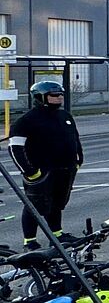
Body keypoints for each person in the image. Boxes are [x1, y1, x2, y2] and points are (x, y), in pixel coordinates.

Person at [9, 81, 83, 250]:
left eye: (61, 95)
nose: (59, 98)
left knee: (57, 203)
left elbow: (75, 139)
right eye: (54, 95)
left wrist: (78, 160)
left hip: (65, 170)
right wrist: (30, 172)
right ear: (40, 97)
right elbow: (15, 148)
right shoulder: (26, 121)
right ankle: (30, 241)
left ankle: (57, 235)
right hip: (41, 172)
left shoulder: (65, 116)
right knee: (34, 205)